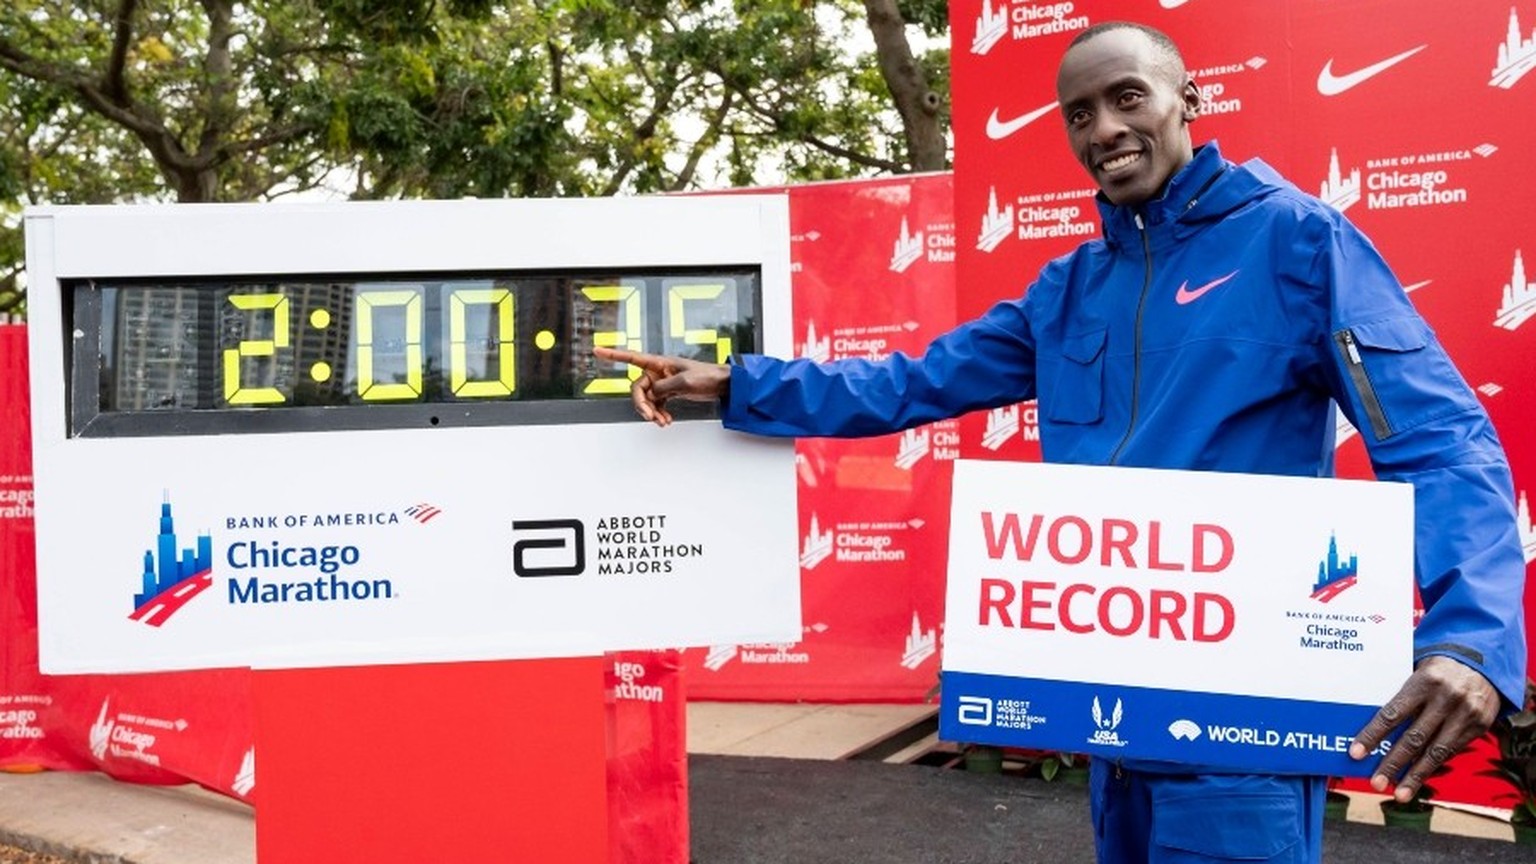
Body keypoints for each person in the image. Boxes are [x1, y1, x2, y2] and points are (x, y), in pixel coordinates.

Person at [596, 20, 1528, 864]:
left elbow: (1441, 438)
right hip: (1111, 707)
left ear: (1186, 101)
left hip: (1245, 715)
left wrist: (1475, 638)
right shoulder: (1068, 287)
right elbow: (912, 382)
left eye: (1129, 98)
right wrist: (741, 383)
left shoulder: (1298, 242)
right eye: (1079, 114)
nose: (1104, 129)